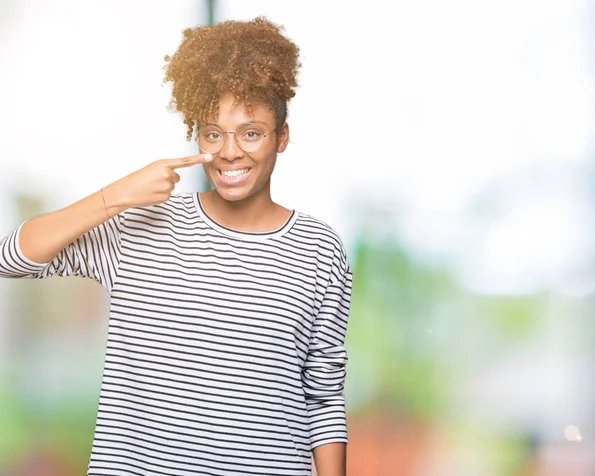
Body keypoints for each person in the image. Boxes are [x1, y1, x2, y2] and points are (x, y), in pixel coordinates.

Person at [0, 16, 352, 476]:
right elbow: (13, 258)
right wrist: (115, 195)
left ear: (281, 137)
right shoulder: (142, 225)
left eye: (250, 132)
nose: (229, 152)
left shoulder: (319, 248)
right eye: (212, 133)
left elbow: (323, 395)